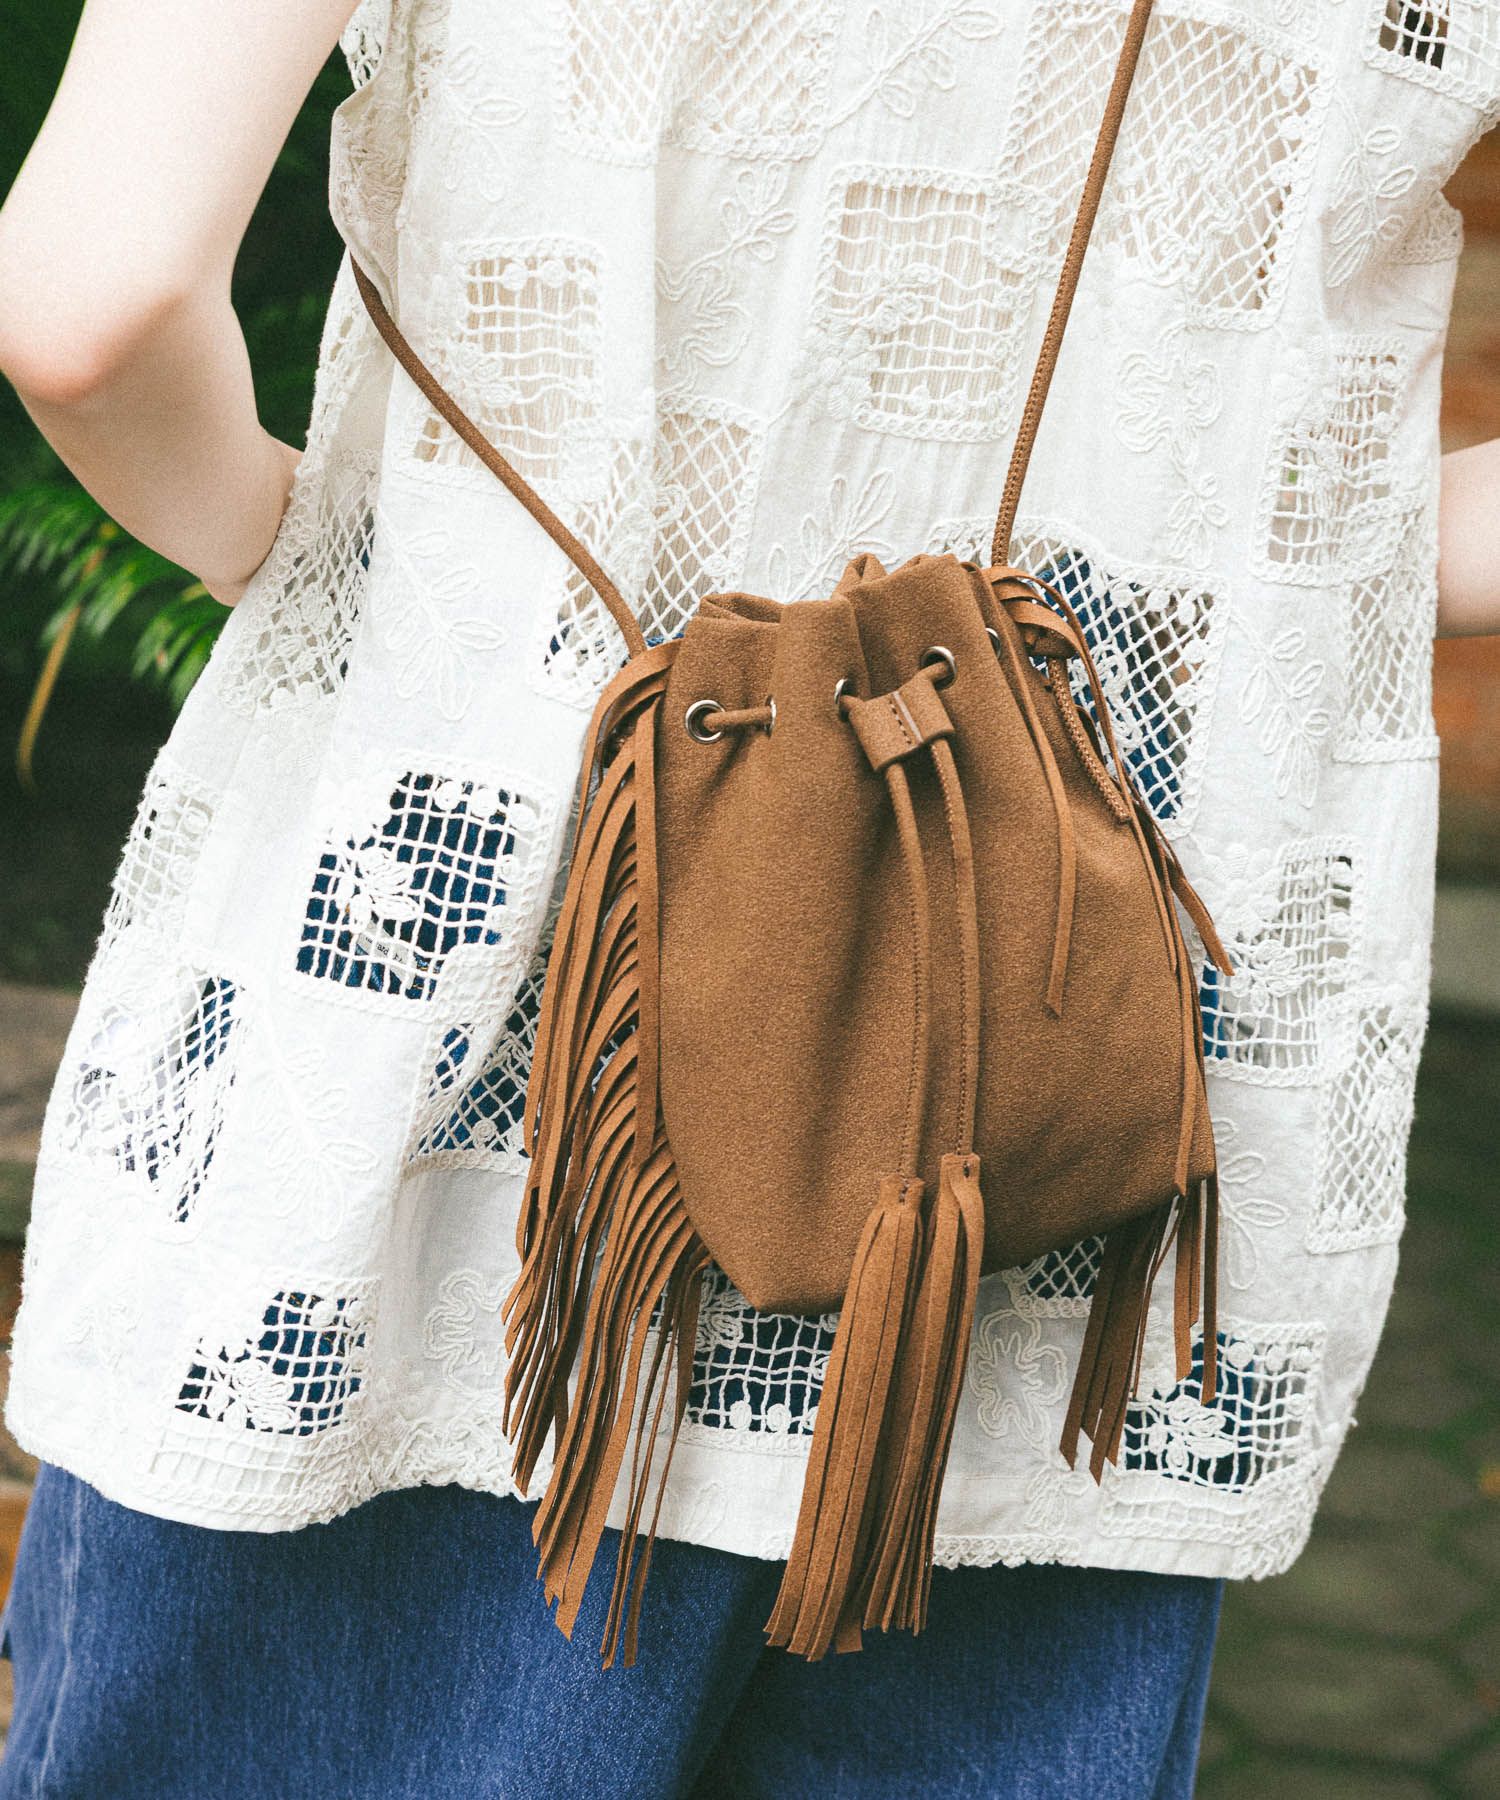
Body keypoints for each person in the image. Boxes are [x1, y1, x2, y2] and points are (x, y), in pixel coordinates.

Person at [0, 2, 1495, 1794]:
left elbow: (88, 308)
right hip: (1043, 1139)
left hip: (432, 1193)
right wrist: (1284, 559)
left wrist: (306, 561)